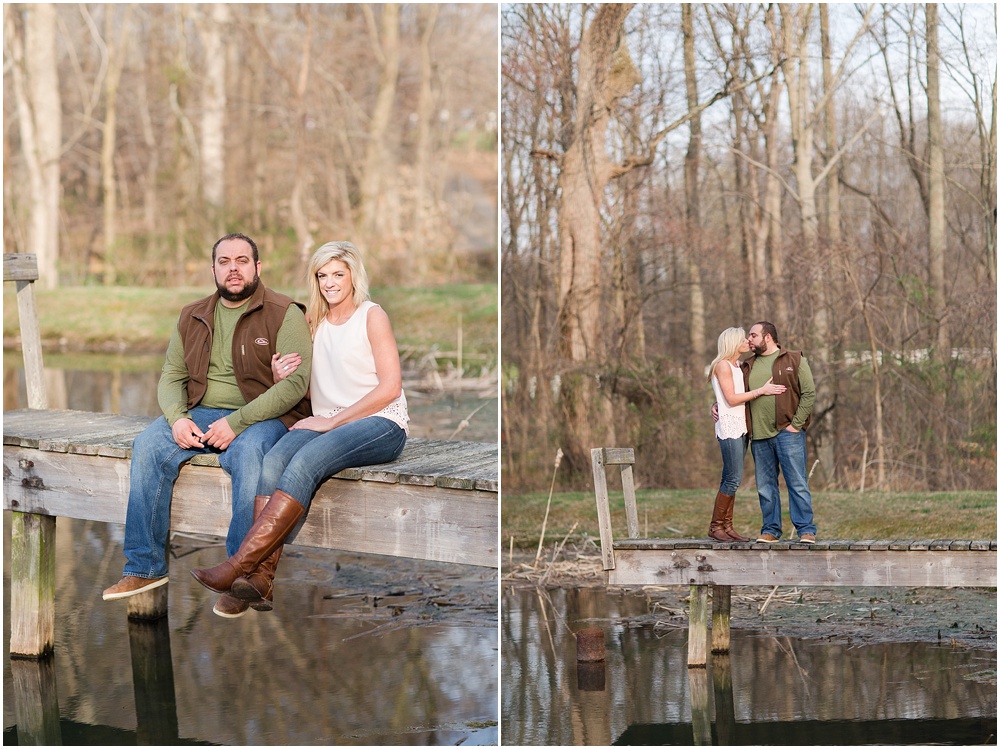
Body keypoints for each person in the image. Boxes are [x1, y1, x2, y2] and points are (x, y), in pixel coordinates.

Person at [102, 232, 313, 618]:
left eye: (242, 261)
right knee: (148, 444)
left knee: (249, 454)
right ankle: (144, 568)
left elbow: (296, 386)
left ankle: (242, 575)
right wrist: (177, 418)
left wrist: (236, 424)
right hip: (200, 410)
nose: (233, 269)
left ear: (257, 267)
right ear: (213, 268)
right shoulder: (192, 314)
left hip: (263, 414)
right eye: (224, 261)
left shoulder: (286, 313)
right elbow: (170, 377)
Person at [190, 240, 409, 611]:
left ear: (354, 275)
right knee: (274, 459)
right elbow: (309, 385)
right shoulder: (313, 322)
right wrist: (280, 377)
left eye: (338, 274)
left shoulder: (372, 316)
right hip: (326, 422)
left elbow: (390, 387)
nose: (330, 283)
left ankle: (240, 565)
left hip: (380, 422)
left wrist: (333, 420)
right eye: (322, 275)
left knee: (307, 462)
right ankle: (260, 580)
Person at [707, 327, 786, 542]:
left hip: (742, 426)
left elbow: (727, 396)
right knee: (732, 478)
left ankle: (727, 526)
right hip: (730, 428)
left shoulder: (739, 365)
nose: (747, 342)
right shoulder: (723, 365)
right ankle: (716, 527)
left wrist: (716, 403)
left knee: (732, 478)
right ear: (732, 343)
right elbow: (732, 399)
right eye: (743, 339)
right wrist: (762, 390)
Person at [742, 321, 817, 543]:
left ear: (768, 337)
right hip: (759, 436)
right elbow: (732, 394)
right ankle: (771, 530)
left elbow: (809, 393)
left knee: (797, 483)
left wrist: (795, 425)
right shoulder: (747, 365)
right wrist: (715, 406)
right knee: (765, 487)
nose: (749, 340)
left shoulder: (794, 359)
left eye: (753, 335)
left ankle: (806, 530)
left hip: (787, 433)